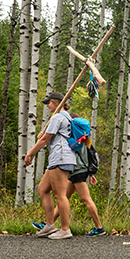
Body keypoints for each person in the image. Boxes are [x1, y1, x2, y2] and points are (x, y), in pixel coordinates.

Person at [32, 113, 105, 236]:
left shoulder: (70, 138)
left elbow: (87, 154)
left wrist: (90, 172)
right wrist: (92, 172)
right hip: (78, 170)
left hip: (78, 170)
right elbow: (92, 154)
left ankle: (99, 228)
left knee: (85, 199)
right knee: (63, 197)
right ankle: (49, 224)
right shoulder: (84, 139)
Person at [24, 91, 75, 240]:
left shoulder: (58, 117)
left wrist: (30, 153)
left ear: (57, 102)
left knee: (60, 195)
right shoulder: (65, 117)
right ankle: (50, 225)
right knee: (43, 189)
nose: (47, 106)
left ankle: (65, 229)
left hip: (61, 157)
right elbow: (50, 136)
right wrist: (45, 132)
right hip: (58, 157)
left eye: (49, 103)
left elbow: (45, 139)